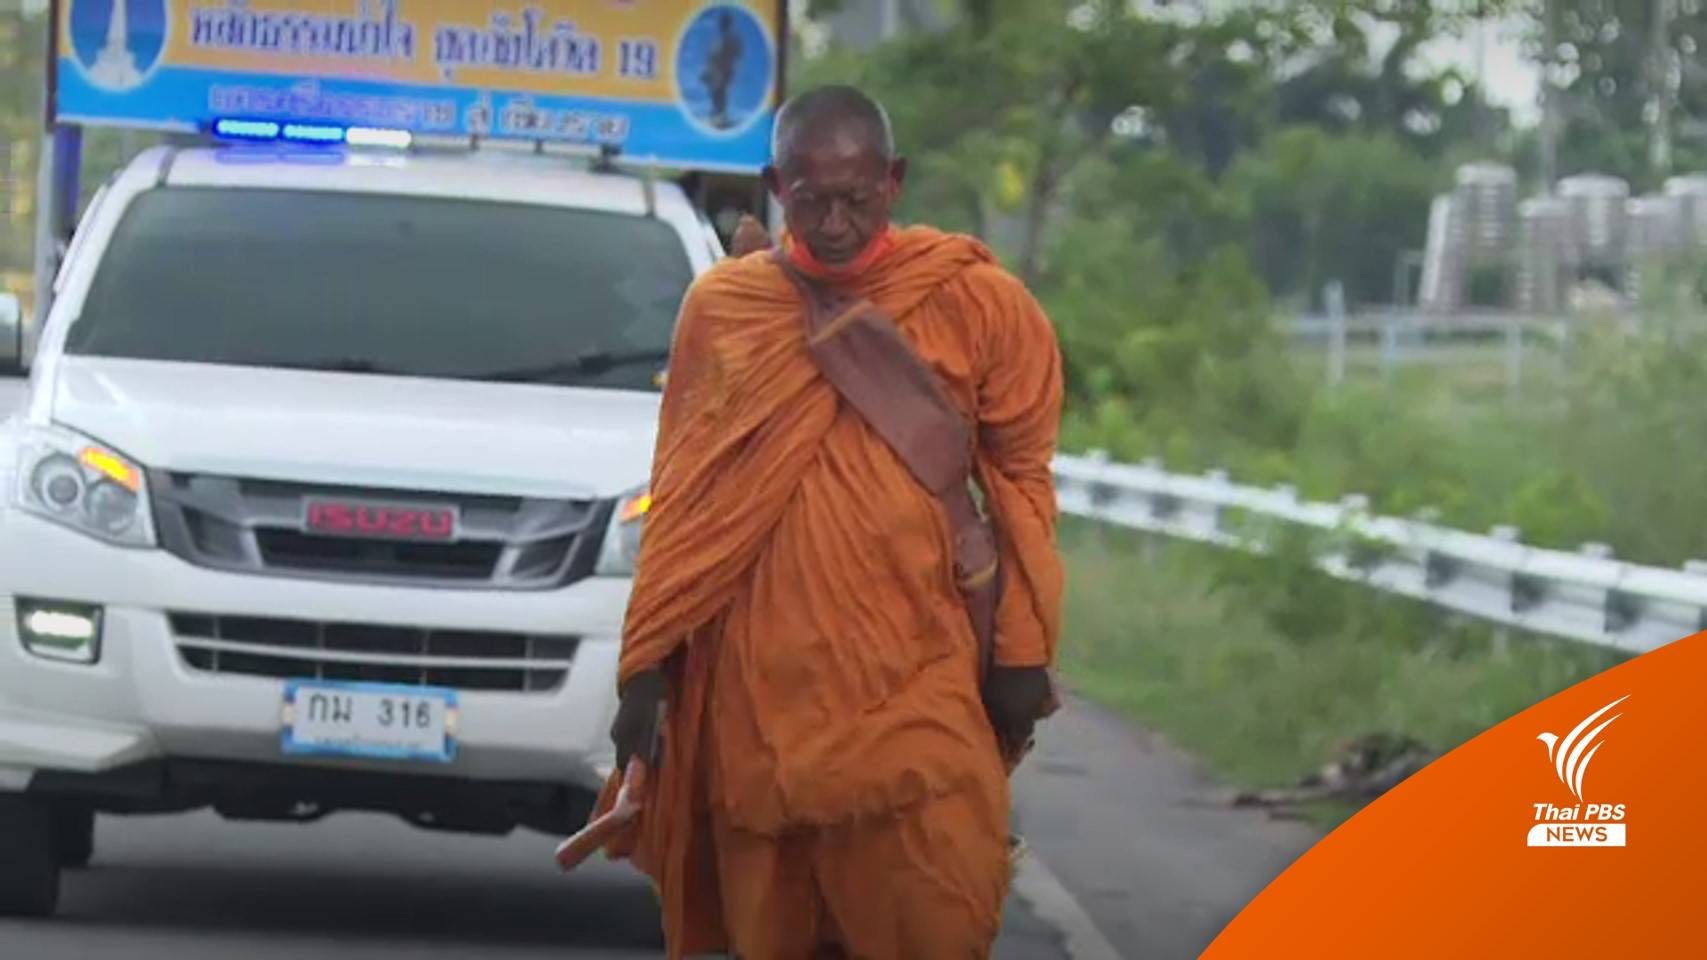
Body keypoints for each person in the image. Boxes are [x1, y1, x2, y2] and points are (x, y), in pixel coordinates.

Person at [590, 84, 1064, 959]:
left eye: (856, 199)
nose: (835, 224)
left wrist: (1023, 653)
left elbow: (1022, 483)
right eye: (811, 200)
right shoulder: (726, 311)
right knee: (774, 932)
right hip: (760, 693)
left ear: (895, 182)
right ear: (776, 185)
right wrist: (646, 671)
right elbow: (685, 493)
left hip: (919, 676)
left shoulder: (978, 304)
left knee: (942, 913)